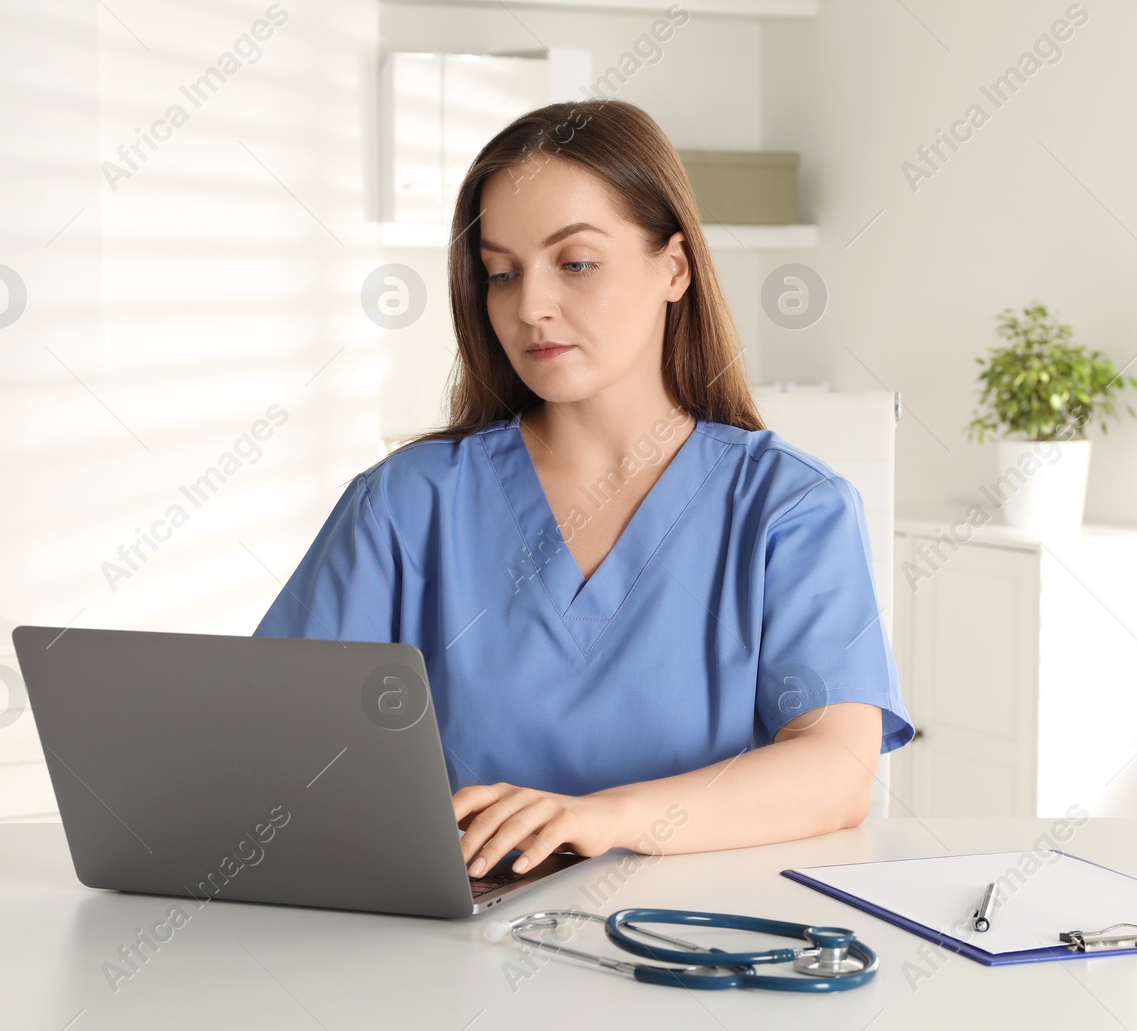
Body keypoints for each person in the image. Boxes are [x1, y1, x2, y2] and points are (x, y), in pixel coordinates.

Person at [255, 99, 913, 881]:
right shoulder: (406, 504)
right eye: (501, 273)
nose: (529, 305)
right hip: (455, 963)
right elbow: (277, 751)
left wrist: (601, 817)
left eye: (575, 263)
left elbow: (838, 771)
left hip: (694, 952)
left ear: (674, 267)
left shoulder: (790, 509)